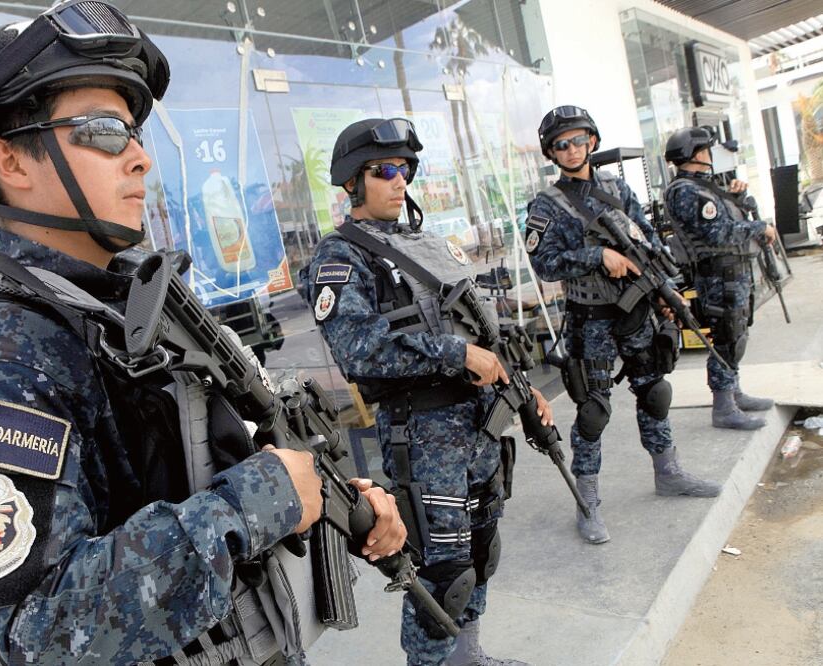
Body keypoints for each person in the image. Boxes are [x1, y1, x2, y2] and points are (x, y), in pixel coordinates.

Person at [0, 3, 405, 664]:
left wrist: (329, 499)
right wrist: (263, 500)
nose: (140, 160)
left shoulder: (129, 308)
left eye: (134, 134)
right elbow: (39, 633)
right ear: (11, 163)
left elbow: (198, 473)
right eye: (104, 131)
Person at [307, 117, 552, 666]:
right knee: (442, 575)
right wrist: (455, 355)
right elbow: (358, 350)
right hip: (422, 438)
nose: (400, 180)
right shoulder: (340, 256)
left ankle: (468, 655)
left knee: (481, 552)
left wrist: (522, 388)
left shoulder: (431, 245)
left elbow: (484, 333)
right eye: (385, 170)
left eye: (407, 169)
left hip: (480, 428)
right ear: (352, 181)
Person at [525, 106, 721, 546]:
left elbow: (648, 240)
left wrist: (664, 294)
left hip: (635, 313)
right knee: (593, 412)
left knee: (655, 392)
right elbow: (544, 263)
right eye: (562, 144)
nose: (573, 149)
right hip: (590, 318)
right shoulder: (547, 205)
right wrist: (597, 257)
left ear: (592, 141)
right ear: (551, 152)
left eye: (579, 140)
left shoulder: (617, 187)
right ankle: (587, 500)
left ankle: (668, 471)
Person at [662, 126, 777, 430]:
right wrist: (759, 228)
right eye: (708, 150)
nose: (711, 155)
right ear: (698, 153)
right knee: (726, 337)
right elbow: (716, 233)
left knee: (737, 332)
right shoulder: (685, 190)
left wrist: (736, 198)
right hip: (718, 274)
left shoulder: (704, 187)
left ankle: (734, 392)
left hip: (732, 271)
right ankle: (724, 406)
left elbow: (723, 221)